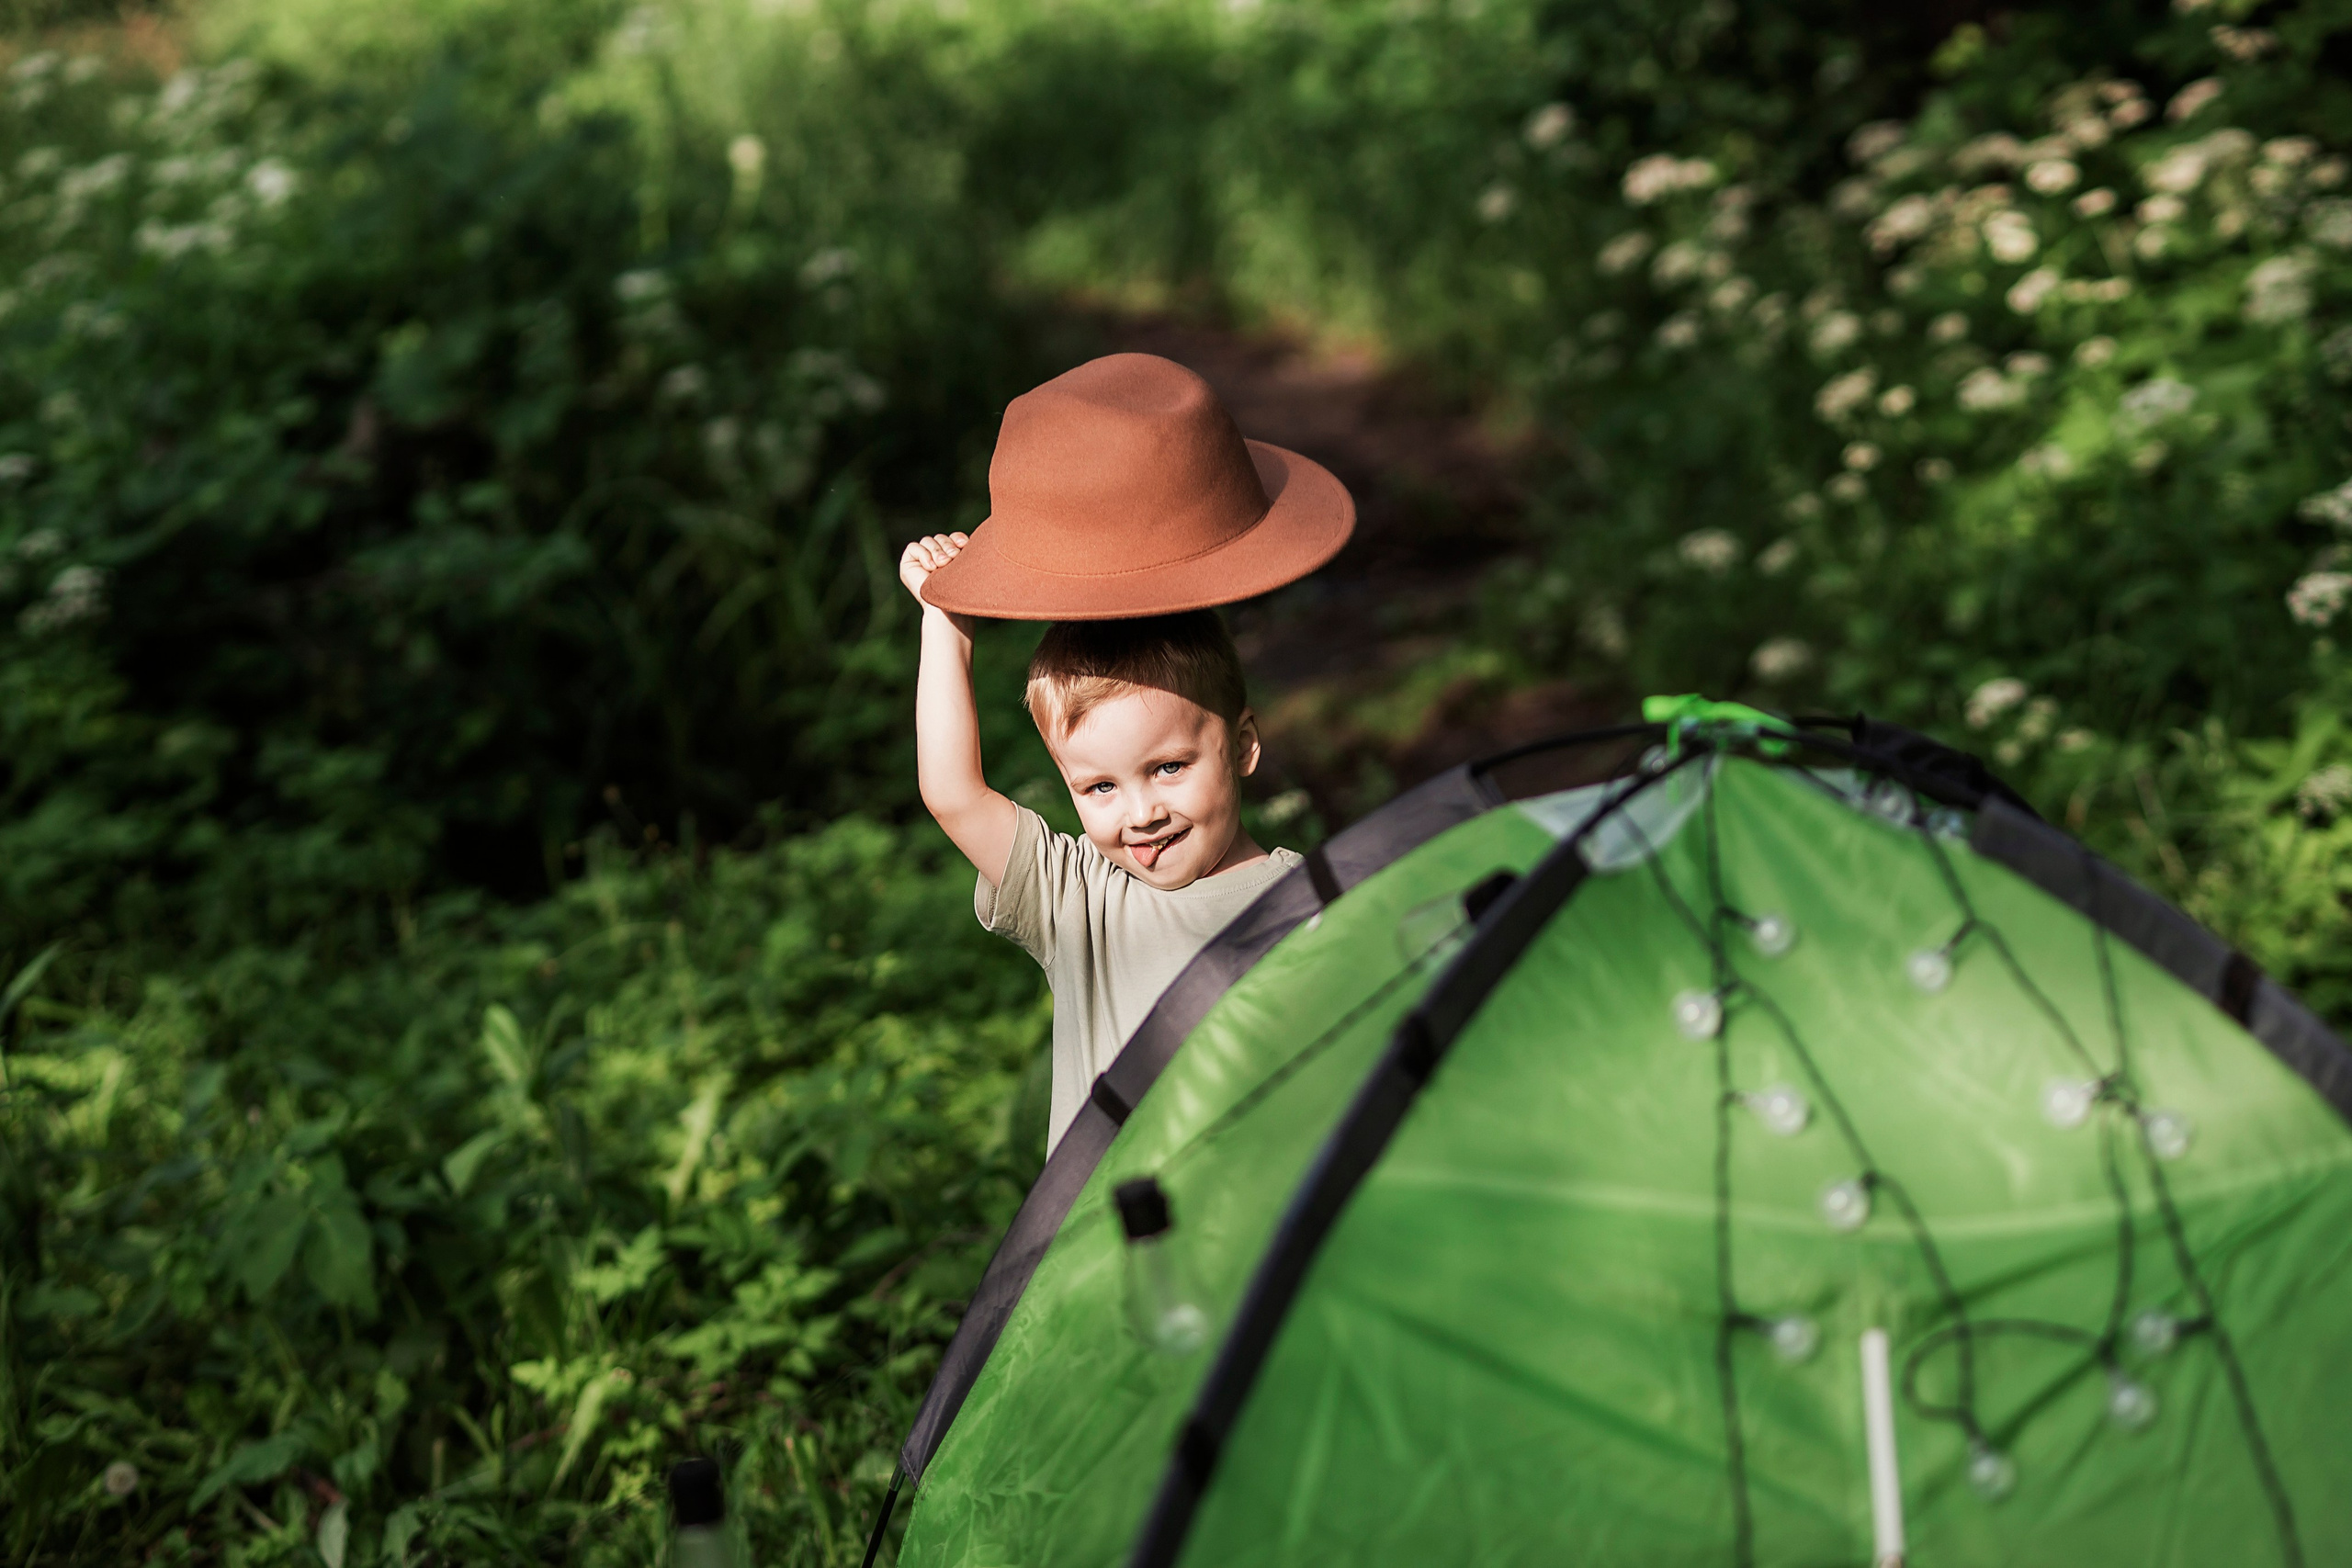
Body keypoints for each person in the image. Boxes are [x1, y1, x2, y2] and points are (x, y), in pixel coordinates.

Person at [895, 353, 1356, 1152]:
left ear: (1242, 744)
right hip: (1107, 1259)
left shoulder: (1310, 906)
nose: (1140, 813)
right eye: (1098, 786)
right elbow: (952, 792)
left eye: (1169, 768)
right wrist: (946, 621)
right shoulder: (1082, 899)